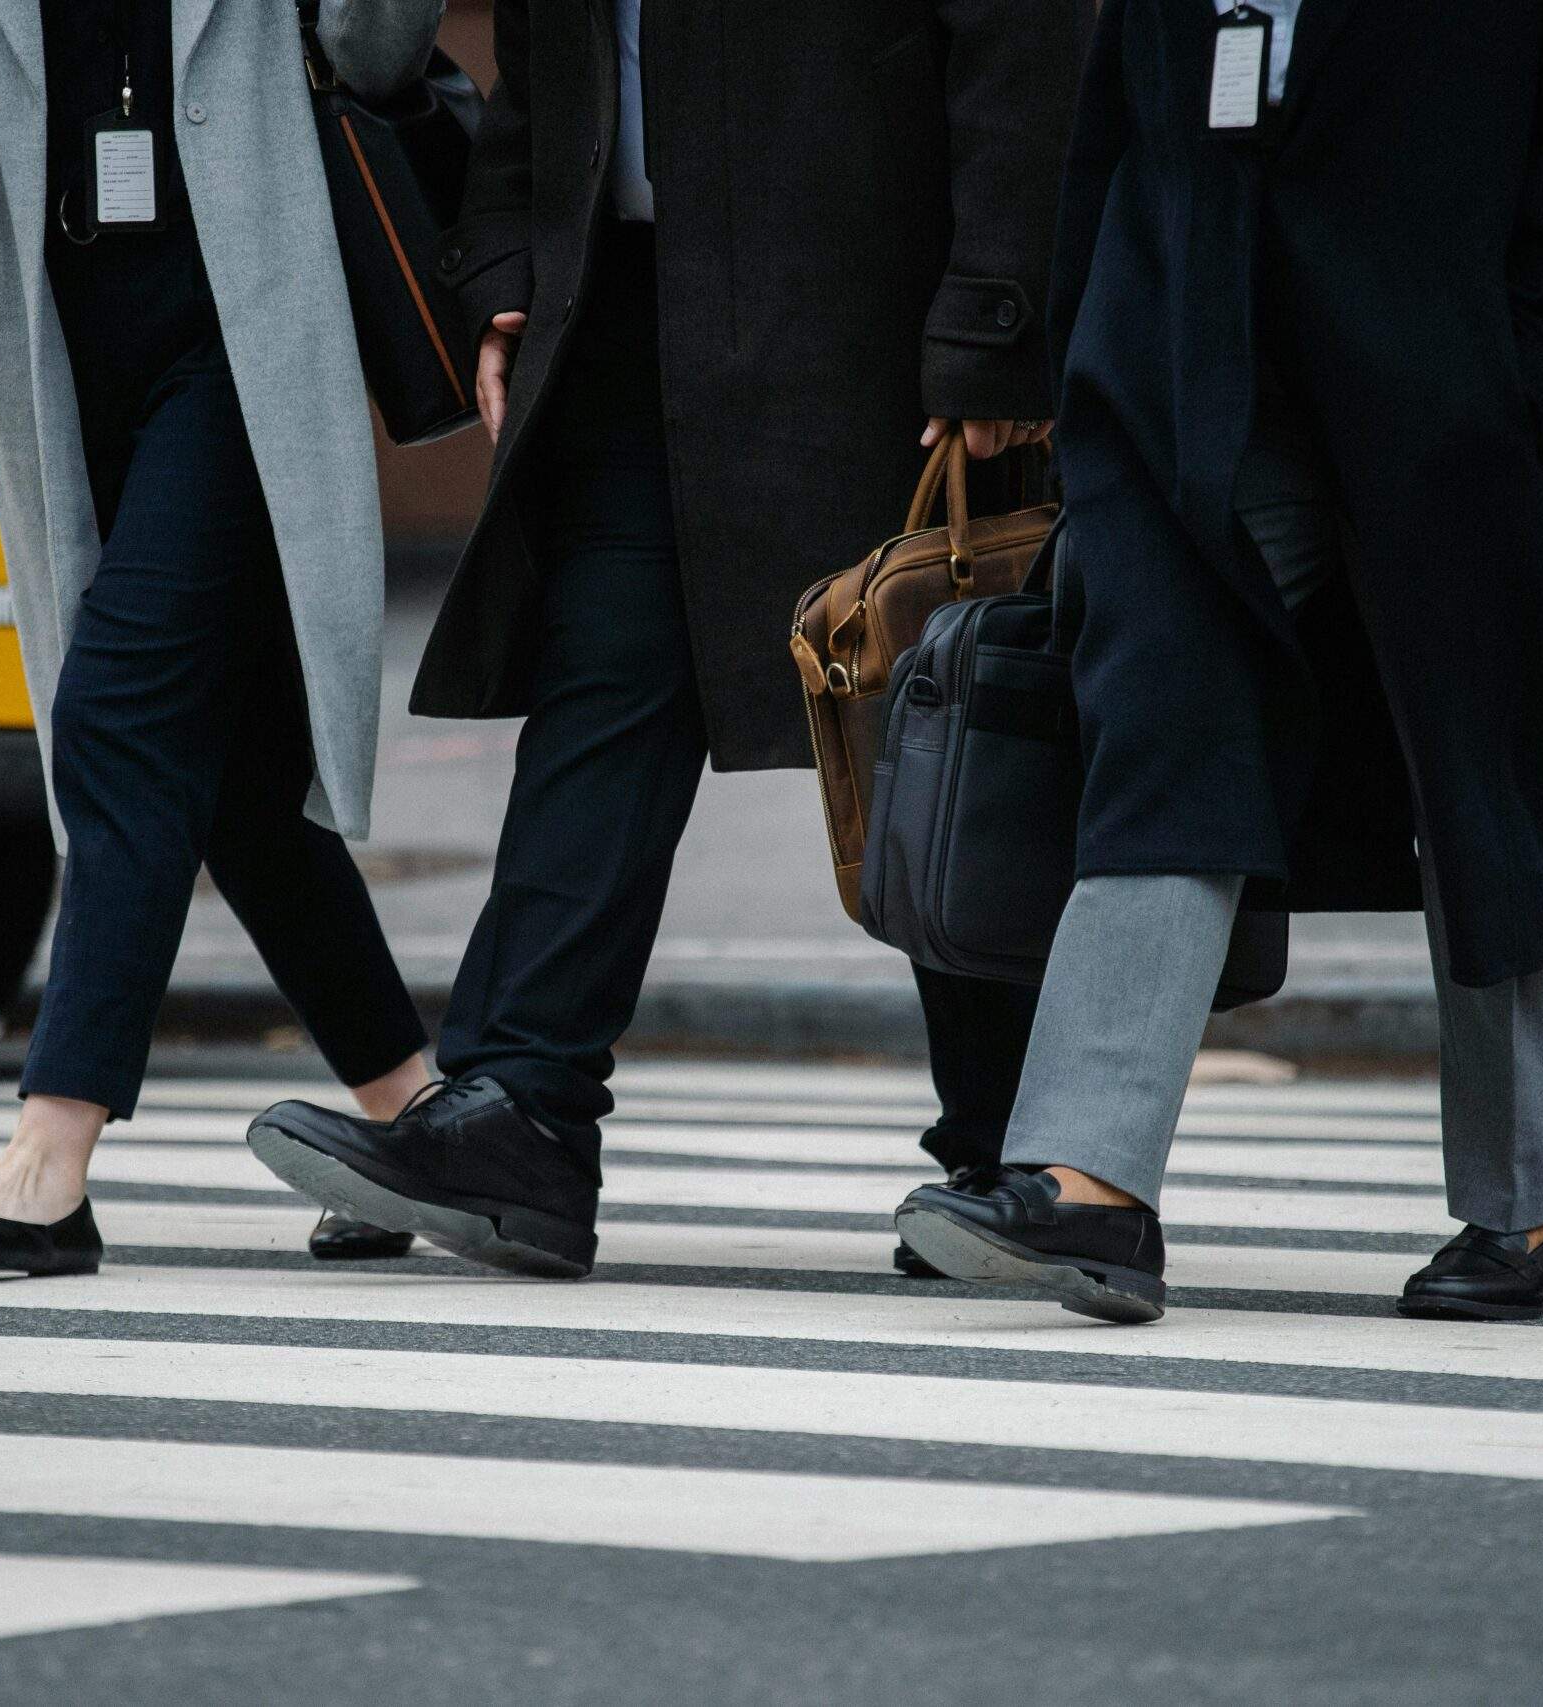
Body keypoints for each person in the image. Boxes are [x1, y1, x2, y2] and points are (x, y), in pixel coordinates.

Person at [250, 0, 1089, 1279]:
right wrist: (506, 264)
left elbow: (1020, 48)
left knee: (932, 708)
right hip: (624, 311)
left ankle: (1017, 1142)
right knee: (606, 687)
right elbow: (542, 58)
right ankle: (521, 1109)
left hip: (874, 313)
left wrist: (998, 315)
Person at [894, 0, 1543, 1323]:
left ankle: (1528, 1213)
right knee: (1160, 710)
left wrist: (1523, 383)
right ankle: (1093, 1175)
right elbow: (1115, 123)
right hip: (1190, 382)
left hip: (1445, 398)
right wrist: (1092, 353)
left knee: (1494, 781)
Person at [0, 0, 446, 1276]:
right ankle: (414, 1118)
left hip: (243, 330)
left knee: (120, 714)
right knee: (242, 789)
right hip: (55, 335)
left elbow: (377, 50)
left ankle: (50, 1157)